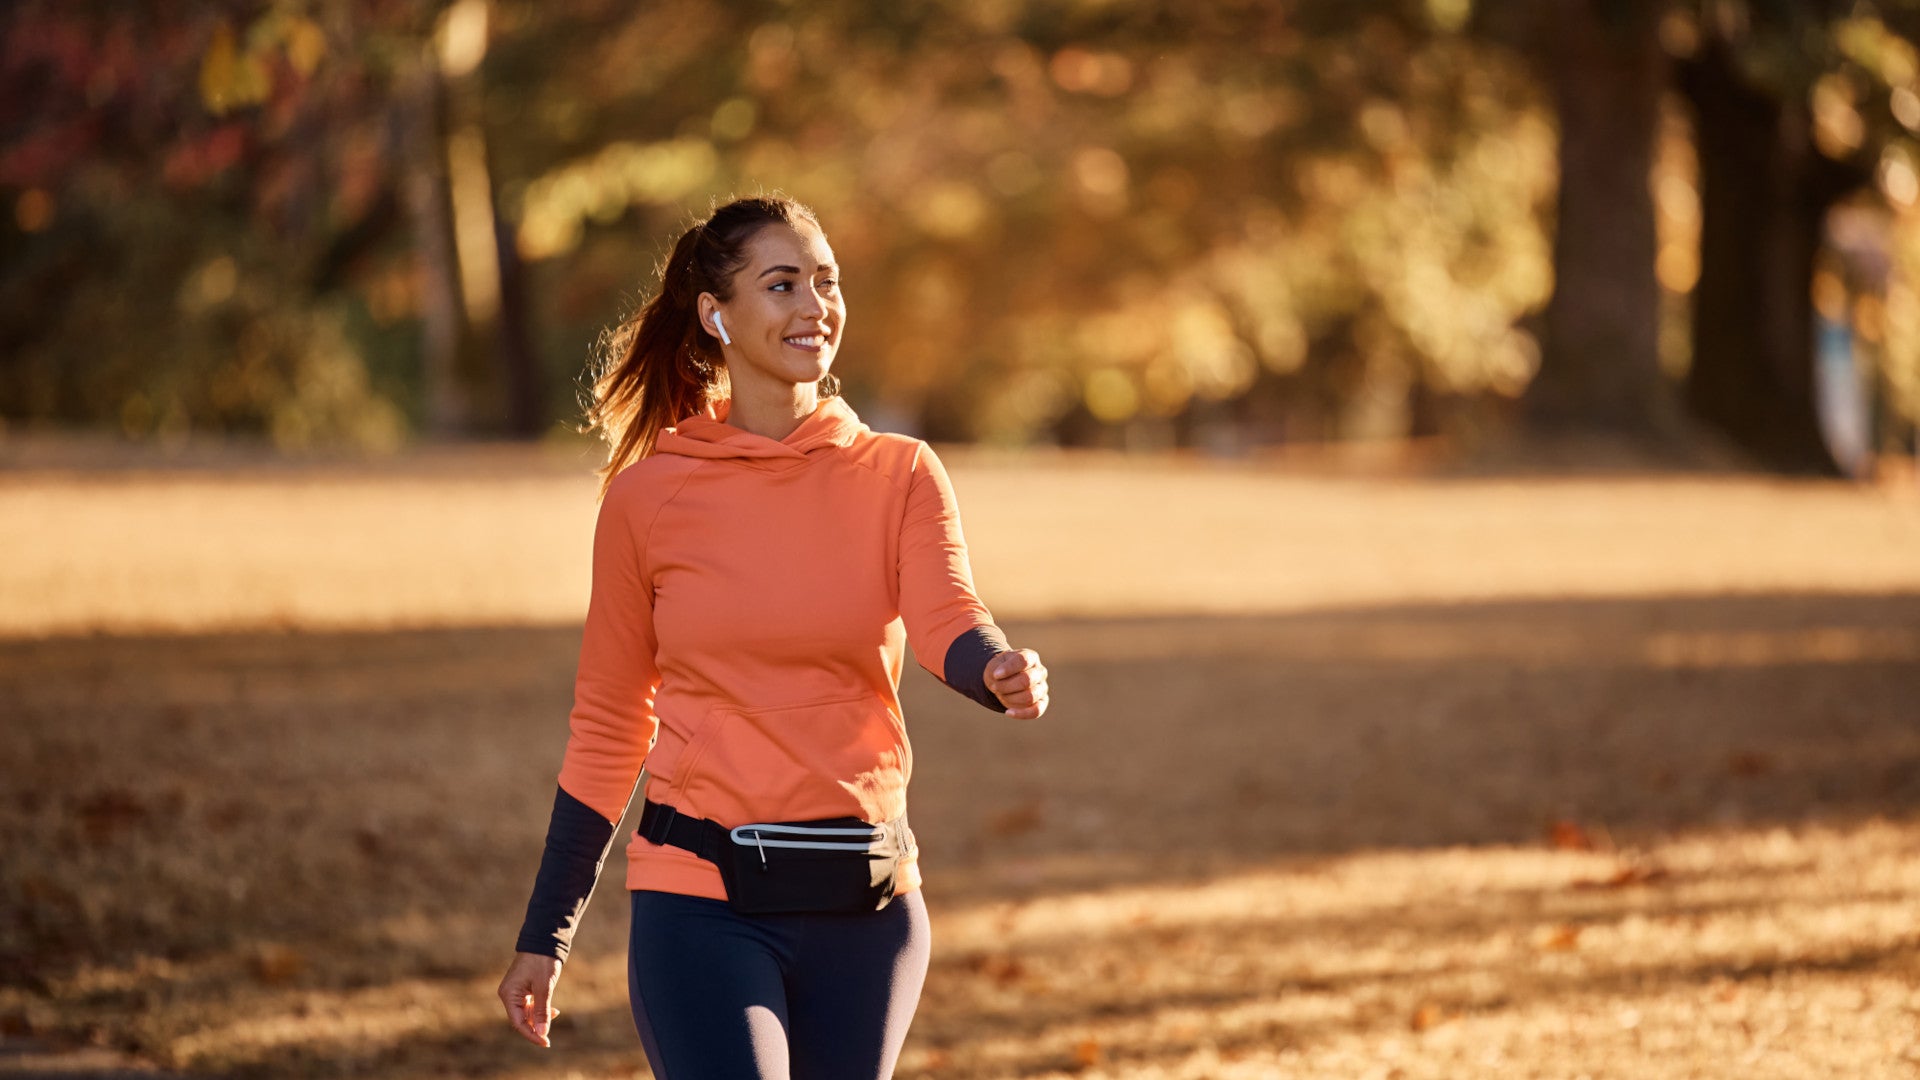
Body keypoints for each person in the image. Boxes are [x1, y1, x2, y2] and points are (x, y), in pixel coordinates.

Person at [495, 195, 1050, 1079]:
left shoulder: (899, 472)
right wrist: (547, 934)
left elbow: (948, 615)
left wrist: (996, 670)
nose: (814, 307)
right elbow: (609, 723)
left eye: (826, 283)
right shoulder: (649, 499)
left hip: (867, 902)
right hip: (701, 900)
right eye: (782, 284)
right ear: (716, 314)